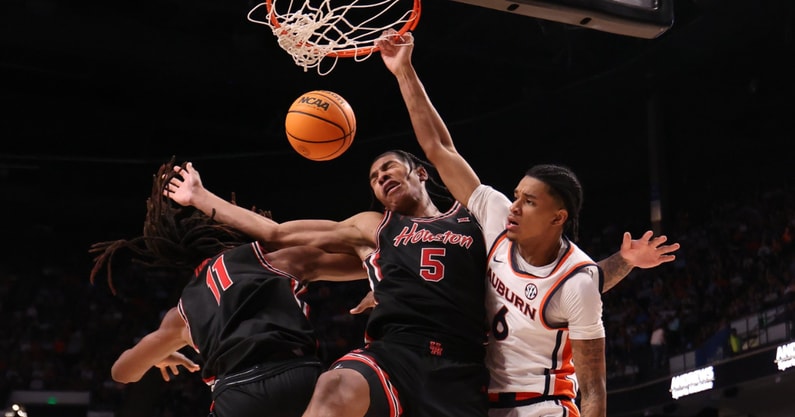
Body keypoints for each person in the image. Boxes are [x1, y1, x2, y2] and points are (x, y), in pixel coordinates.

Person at [374, 29, 680, 417]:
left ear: (557, 217)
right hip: (479, 401)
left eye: (529, 201)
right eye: (517, 195)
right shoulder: (498, 215)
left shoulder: (577, 282)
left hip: (543, 407)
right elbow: (440, 148)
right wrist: (404, 72)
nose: (514, 206)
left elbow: (595, 390)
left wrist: (624, 264)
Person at [89, 159, 366, 417]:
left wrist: (157, 357)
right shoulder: (274, 259)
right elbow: (368, 264)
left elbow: (121, 372)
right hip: (296, 375)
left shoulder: (182, 314)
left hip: (236, 393)